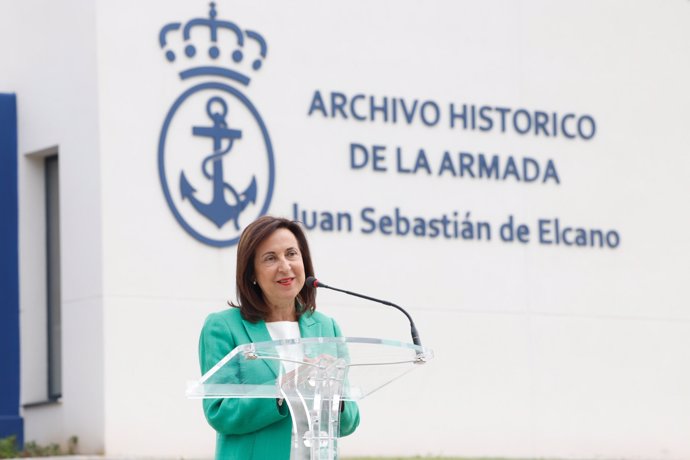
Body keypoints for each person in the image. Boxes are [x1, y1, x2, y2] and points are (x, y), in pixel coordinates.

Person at [198, 216, 360, 459]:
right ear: (251, 273)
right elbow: (220, 412)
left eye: (292, 254)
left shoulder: (327, 328)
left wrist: (334, 393)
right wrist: (284, 389)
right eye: (270, 258)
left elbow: (349, 422)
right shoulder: (223, 327)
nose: (285, 266)